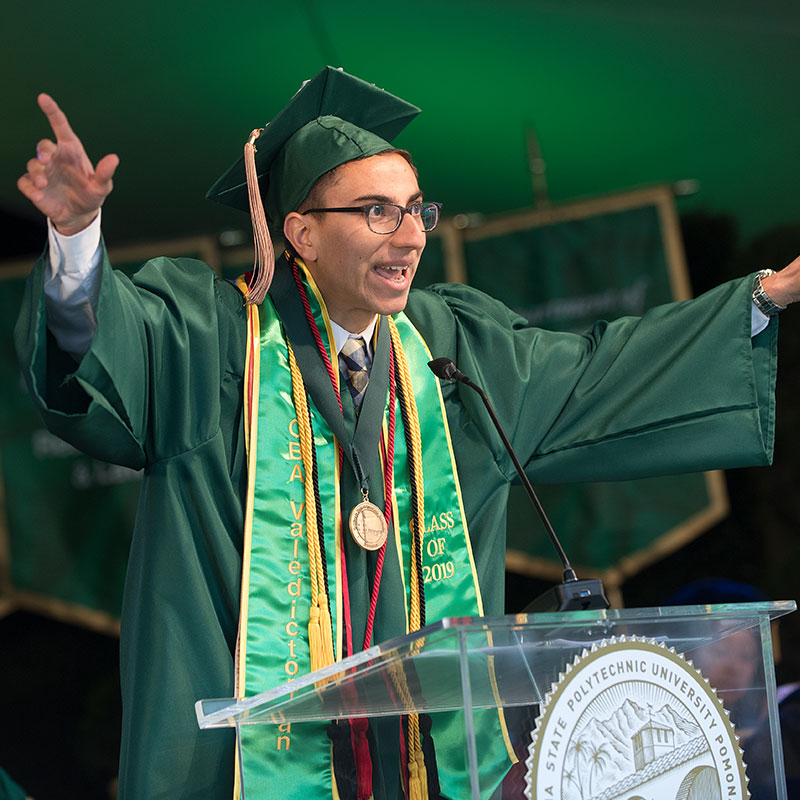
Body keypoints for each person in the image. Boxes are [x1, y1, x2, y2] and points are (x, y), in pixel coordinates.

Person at [14, 67, 800, 799]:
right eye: (376, 211)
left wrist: (763, 298)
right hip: (246, 774)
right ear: (301, 233)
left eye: (416, 209)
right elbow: (105, 344)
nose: (412, 234)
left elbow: (602, 373)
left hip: (424, 764)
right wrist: (79, 240)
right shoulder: (214, 345)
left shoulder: (456, 352)